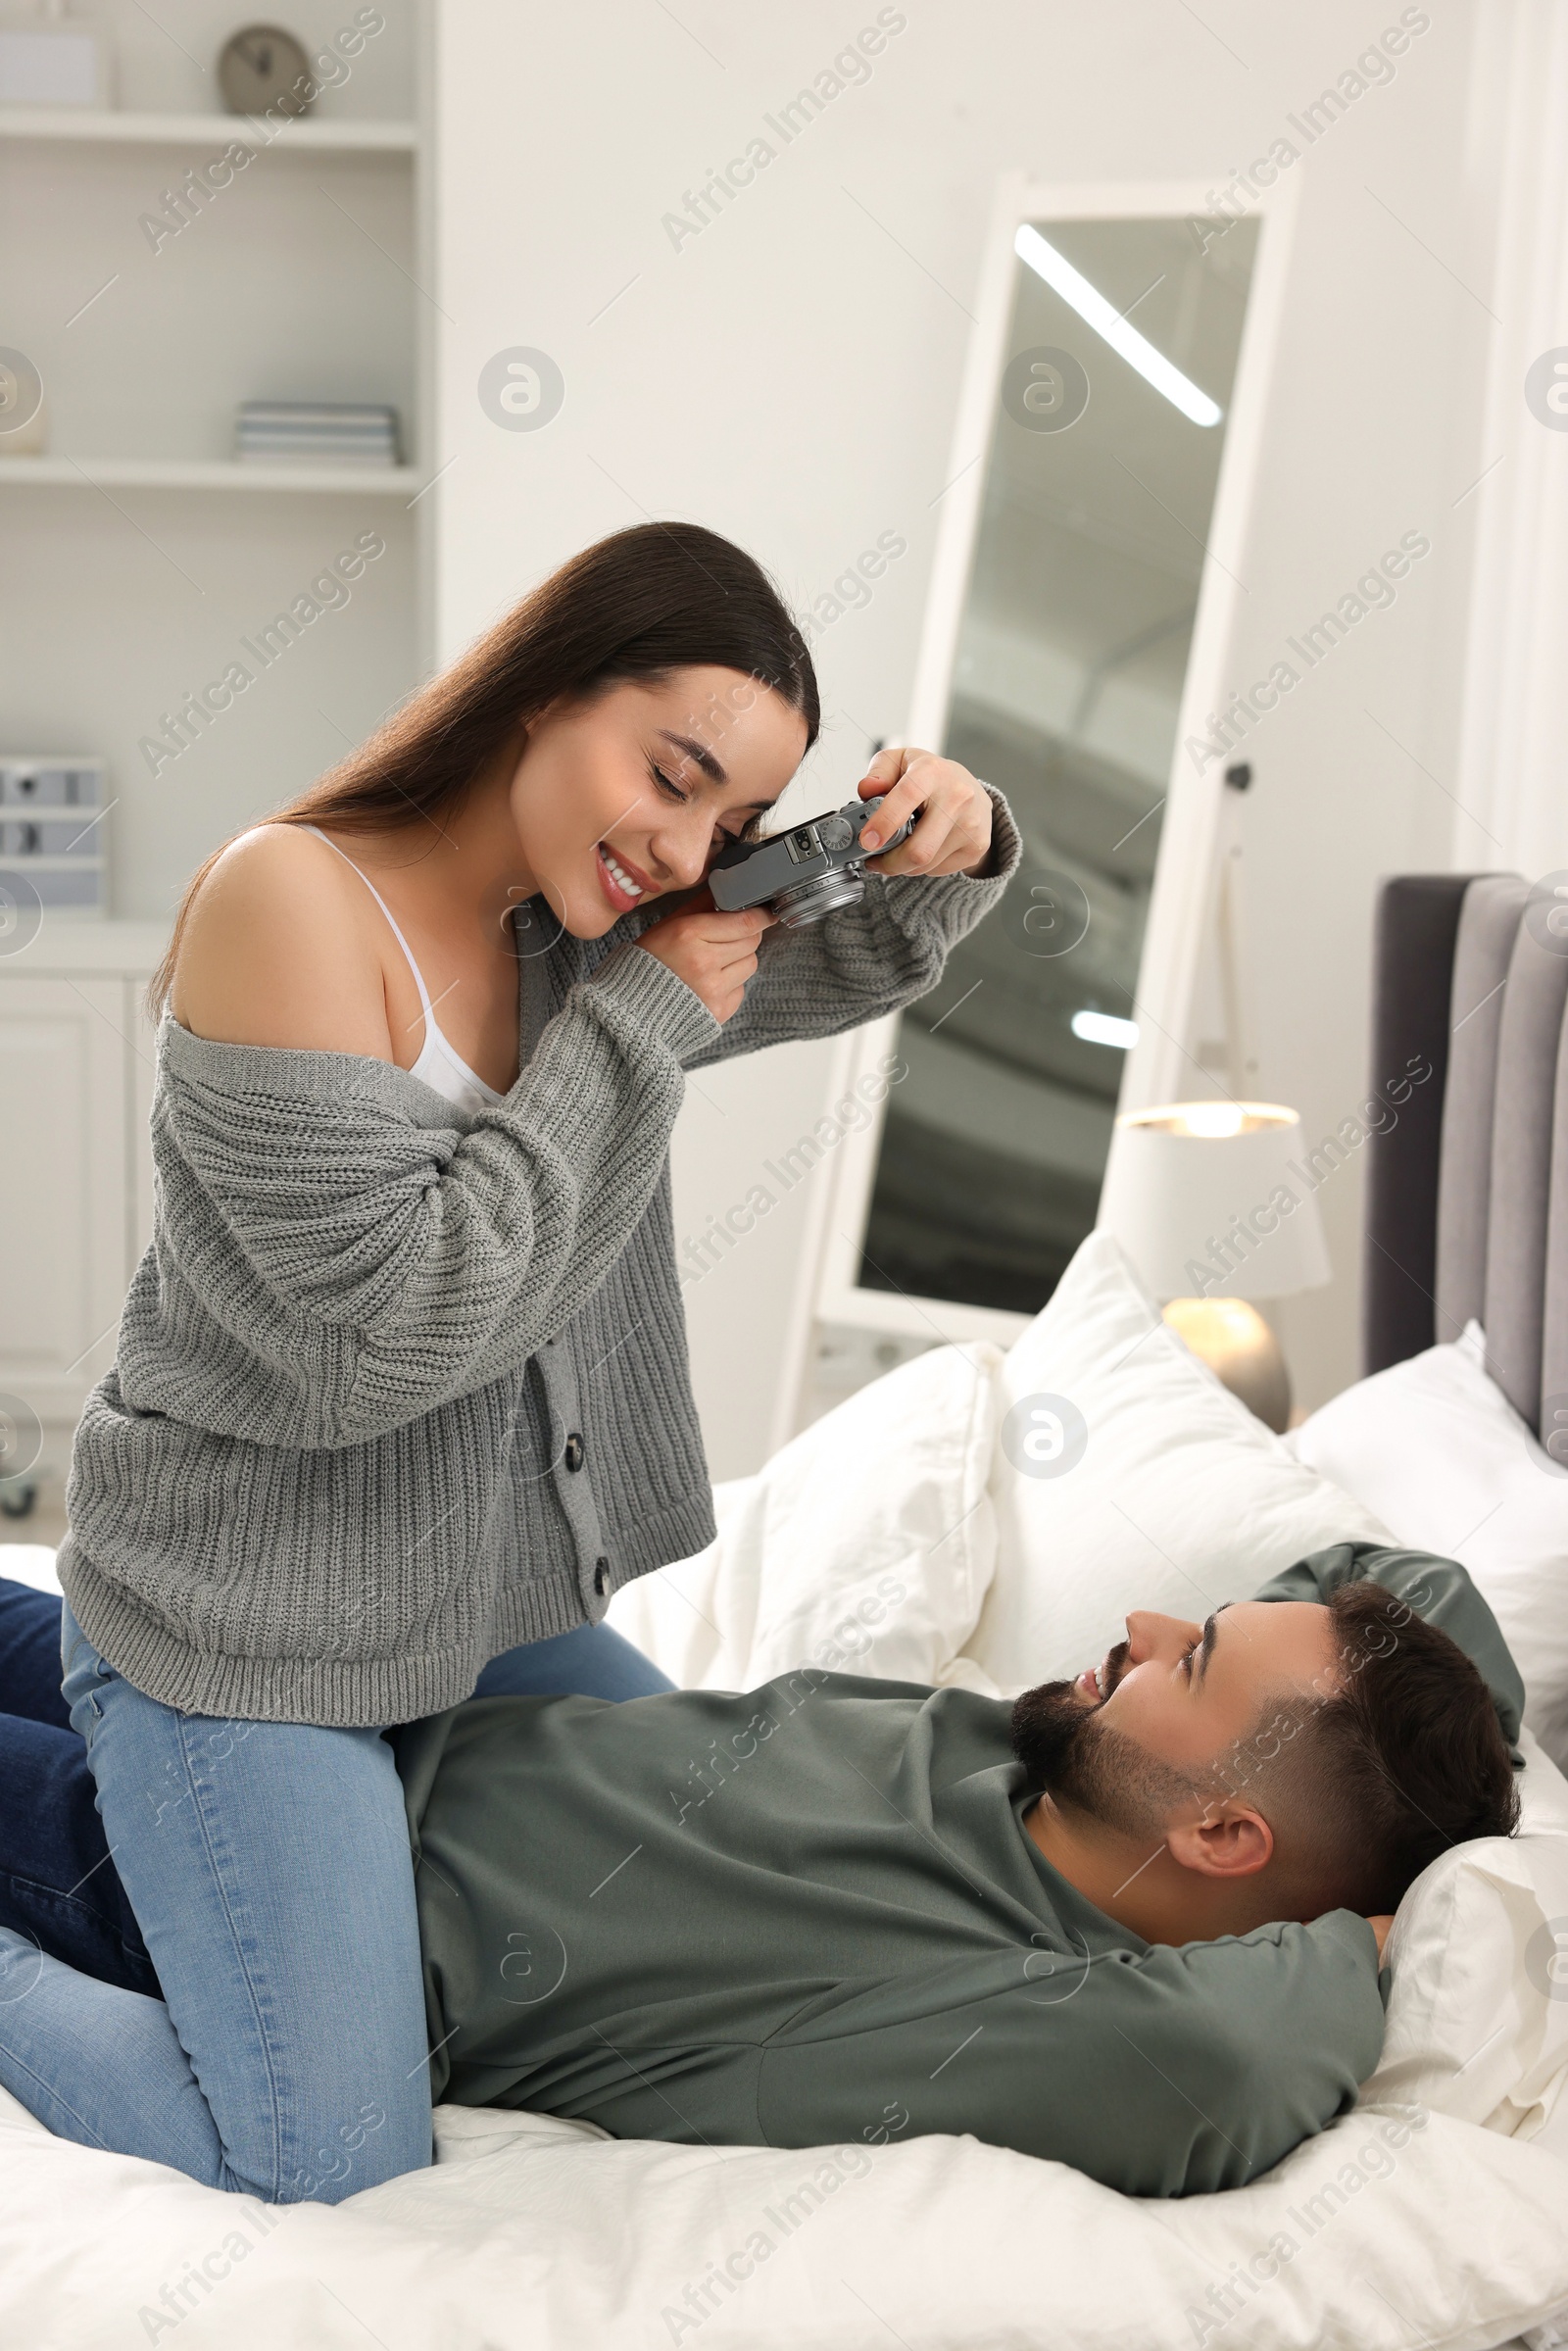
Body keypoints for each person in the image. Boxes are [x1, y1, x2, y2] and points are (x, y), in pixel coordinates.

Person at [0, 519, 1019, 2205]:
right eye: (672, 774)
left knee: (726, 1850)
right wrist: (635, 1027)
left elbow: (830, 958)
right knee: (329, 2159)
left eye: (737, 825)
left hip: (462, 1614)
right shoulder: (294, 900)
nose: (686, 847)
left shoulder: (572, 920)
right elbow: (380, 1342)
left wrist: (956, 843)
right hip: (245, 1630)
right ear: (548, 687)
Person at [0, 1540, 1520, 2199]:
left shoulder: (1053, 2008)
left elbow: (1226, 2052)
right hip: (451, 1720)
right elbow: (1415, 1591)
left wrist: (1402, 1940)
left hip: (277, 1887)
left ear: (1225, 1835)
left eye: (1184, 1660)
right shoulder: (1054, 1759)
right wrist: (1445, 1785)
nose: (1135, 1622)